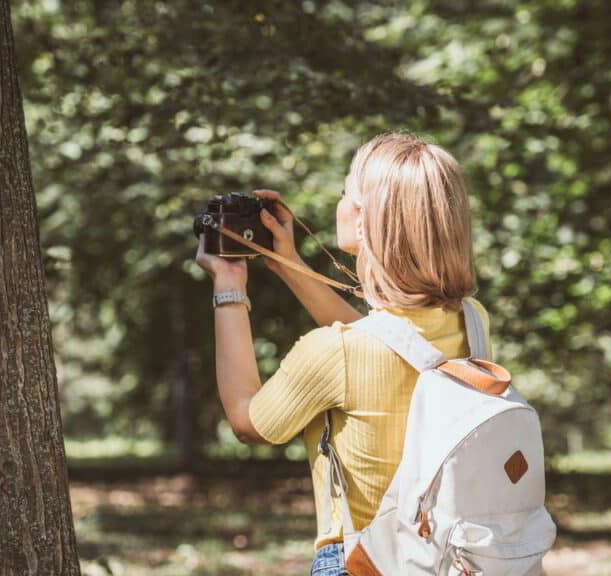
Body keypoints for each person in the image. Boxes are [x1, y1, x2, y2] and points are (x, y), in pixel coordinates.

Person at [194, 132, 492, 576]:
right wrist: (287, 262)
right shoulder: (472, 323)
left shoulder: (337, 352)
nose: (339, 201)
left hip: (362, 561)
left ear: (361, 222)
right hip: (449, 559)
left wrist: (229, 286)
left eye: (344, 191)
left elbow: (246, 421)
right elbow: (390, 343)